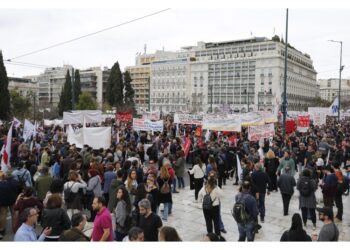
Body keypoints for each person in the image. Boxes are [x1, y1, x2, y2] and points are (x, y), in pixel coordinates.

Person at [0, 171, 21, 239]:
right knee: (14, 214)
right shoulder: (15, 182)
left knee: (3, 215)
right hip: (13, 200)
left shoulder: (1, 183)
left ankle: (2, 229)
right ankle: (14, 228)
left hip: (3, 201)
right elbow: (19, 190)